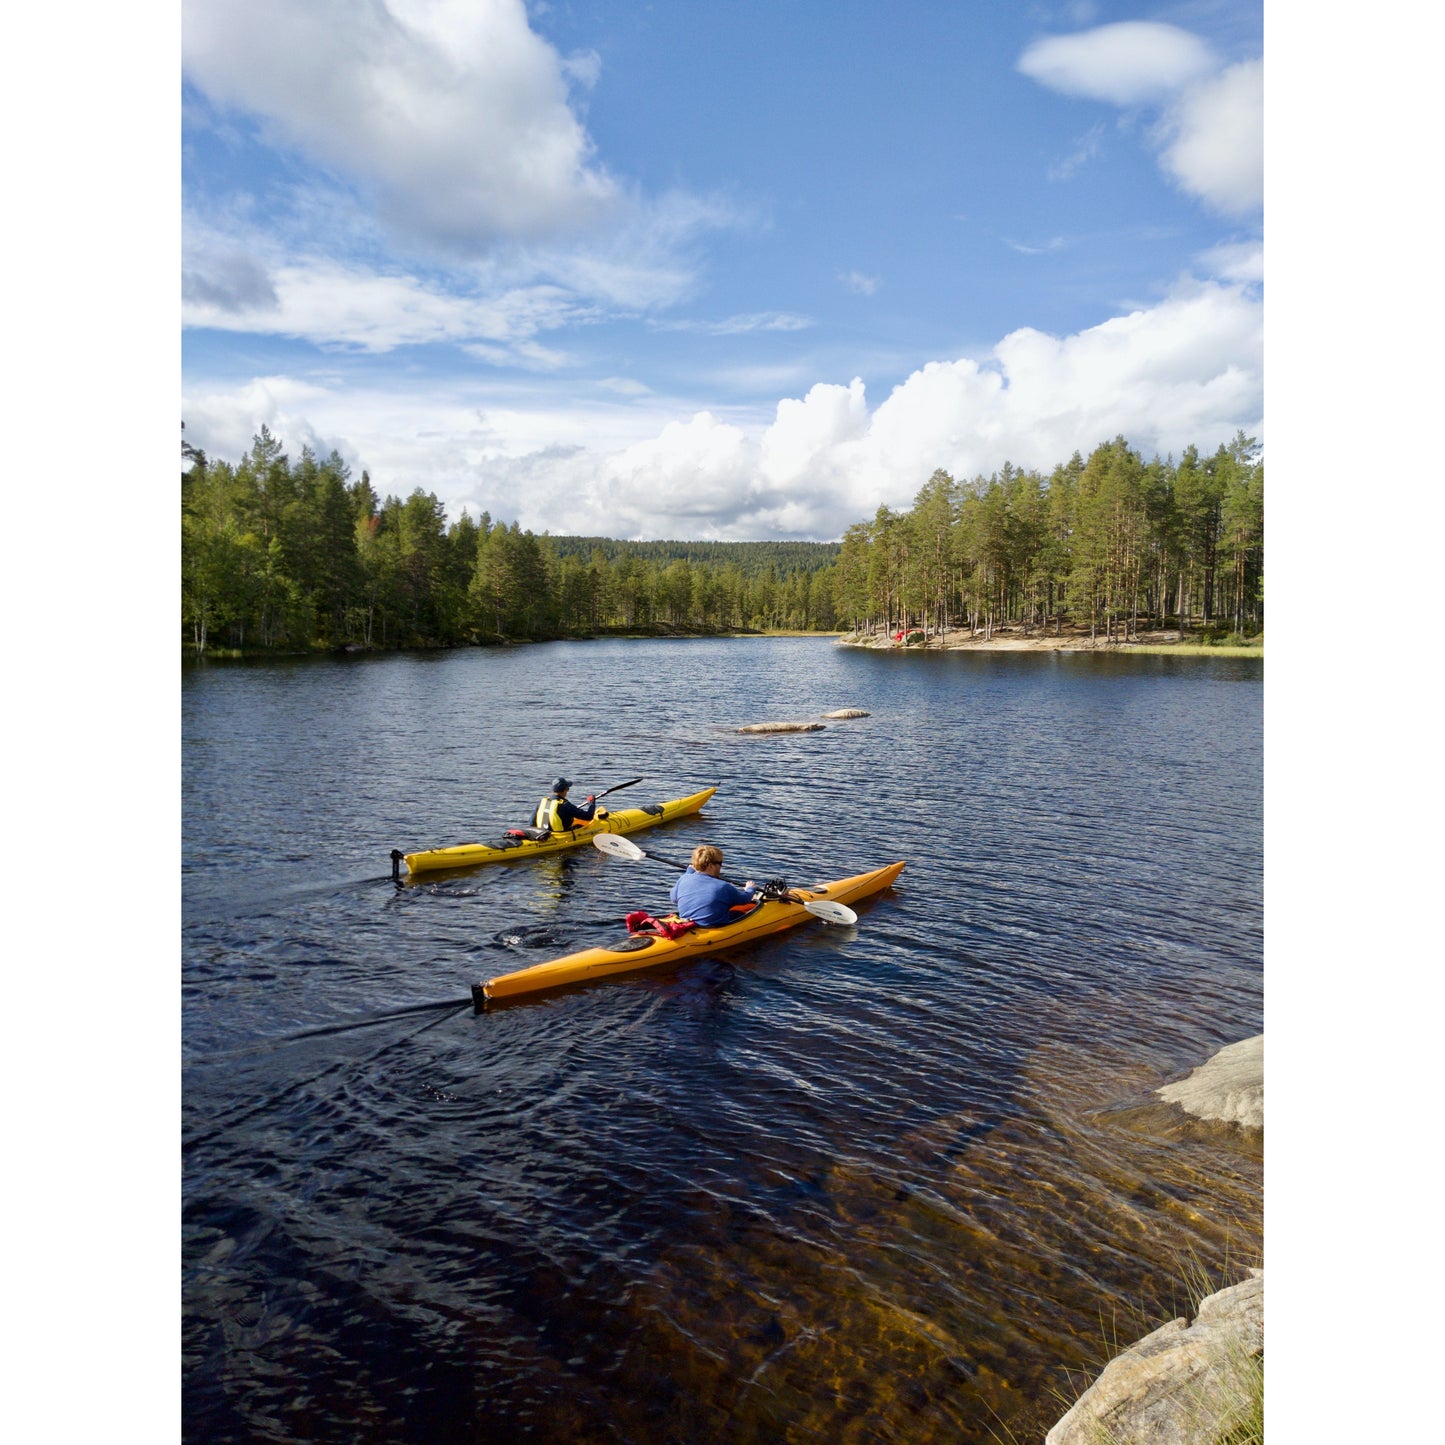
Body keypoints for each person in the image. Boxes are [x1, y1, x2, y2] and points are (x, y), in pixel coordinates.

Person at [668, 844, 759, 928]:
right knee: (738, 913)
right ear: (710, 866)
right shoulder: (723, 886)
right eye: (720, 863)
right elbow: (744, 900)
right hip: (713, 926)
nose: (721, 867)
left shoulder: (683, 879)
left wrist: (688, 873)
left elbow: (674, 898)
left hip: (687, 922)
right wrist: (750, 889)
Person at [534, 777, 608, 833]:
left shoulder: (542, 801)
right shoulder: (565, 804)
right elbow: (589, 817)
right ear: (564, 790)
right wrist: (592, 803)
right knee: (581, 826)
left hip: (543, 832)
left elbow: (531, 822)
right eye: (567, 789)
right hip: (561, 834)